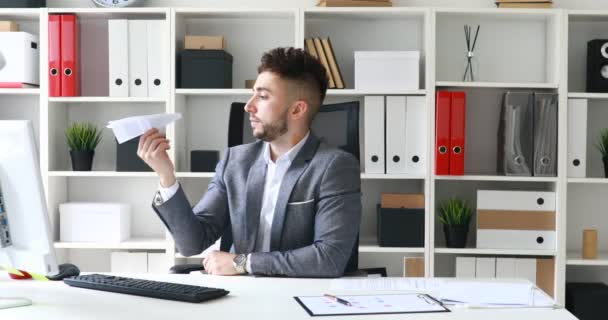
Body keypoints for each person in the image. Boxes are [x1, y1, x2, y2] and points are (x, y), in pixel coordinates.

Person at [138, 47, 361, 277]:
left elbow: (329, 259)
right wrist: (166, 176)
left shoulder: (334, 167)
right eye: (252, 93)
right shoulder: (234, 162)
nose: (248, 106)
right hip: (239, 294)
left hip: (298, 294)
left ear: (297, 109)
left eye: (263, 96)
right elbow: (192, 243)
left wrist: (241, 263)